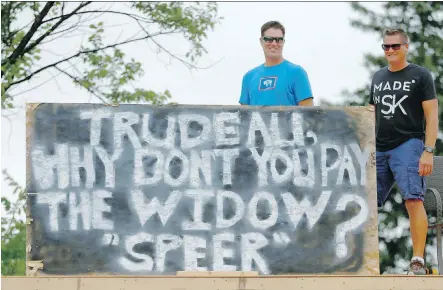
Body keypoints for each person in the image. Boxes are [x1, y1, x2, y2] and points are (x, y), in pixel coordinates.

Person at [369, 28, 439, 275]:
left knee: (412, 199)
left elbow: (431, 117)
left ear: (406, 47)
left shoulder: (420, 75)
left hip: (408, 144)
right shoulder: (377, 77)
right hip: (379, 147)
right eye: (386, 47)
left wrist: (428, 151)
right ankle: (360, 262)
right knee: (364, 201)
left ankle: (417, 261)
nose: (390, 51)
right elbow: (371, 115)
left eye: (395, 46)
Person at [239, 21, 314, 106]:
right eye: (269, 39)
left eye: (279, 40)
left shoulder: (297, 73)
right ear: (261, 41)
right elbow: (244, 116)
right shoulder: (249, 77)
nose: (274, 43)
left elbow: (308, 115)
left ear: (283, 42)